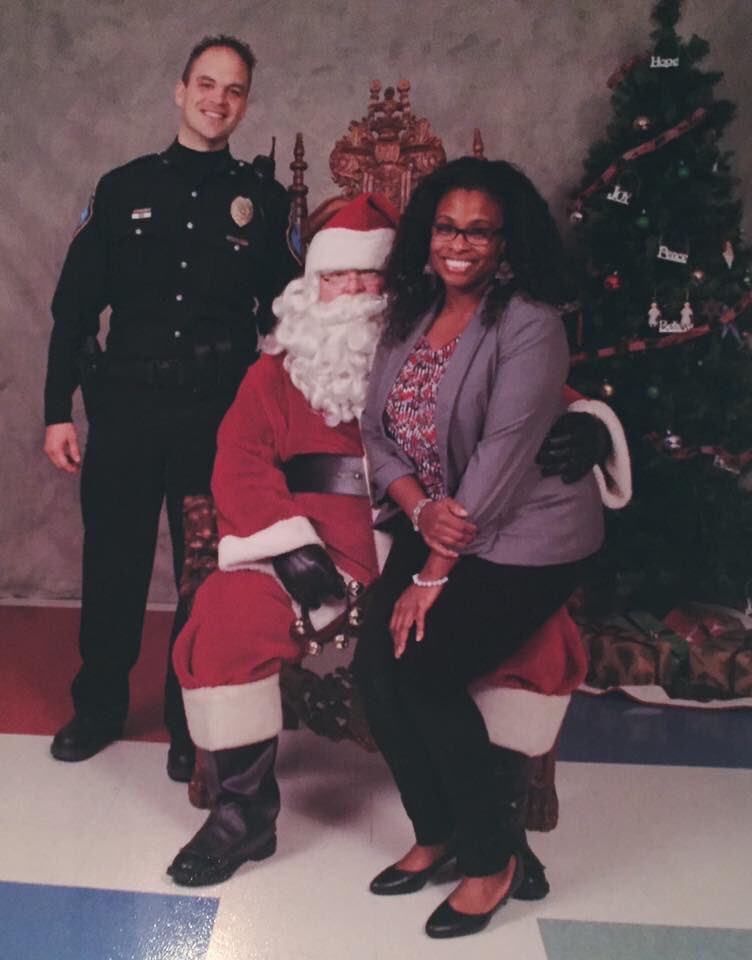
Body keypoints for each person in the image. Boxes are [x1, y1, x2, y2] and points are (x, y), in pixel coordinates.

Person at [167, 192, 629, 887]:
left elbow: (528, 396)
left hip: (440, 545)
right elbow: (237, 462)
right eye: (337, 277)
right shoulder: (274, 373)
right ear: (311, 287)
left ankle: (493, 826)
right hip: (314, 550)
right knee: (226, 618)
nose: (353, 292)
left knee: (538, 637)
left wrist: (592, 420)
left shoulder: (440, 346)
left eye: (369, 276)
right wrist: (291, 551)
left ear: (395, 282)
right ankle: (242, 815)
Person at [354, 157, 607, 939]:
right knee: (374, 671)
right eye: (446, 226)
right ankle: (434, 833)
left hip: (527, 533)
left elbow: (500, 463)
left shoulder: (529, 323)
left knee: (426, 670)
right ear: (428, 233)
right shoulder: (411, 313)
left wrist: (432, 574)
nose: (459, 243)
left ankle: (491, 859)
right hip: (437, 517)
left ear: (505, 243)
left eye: (480, 231)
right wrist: (419, 510)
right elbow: (375, 433)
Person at [43, 34, 299, 782]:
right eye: (207, 84)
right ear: (179, 91)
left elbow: (293, 313)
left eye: (235, 90)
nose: (218, 100)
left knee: (204, 573)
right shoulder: (122, 189)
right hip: (125, 408)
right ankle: (98, 708)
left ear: (246, 103)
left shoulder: (264, 202)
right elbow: (72, 309)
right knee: (114, 562)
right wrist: (59, 409)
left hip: (217, 417)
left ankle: (194, 718)